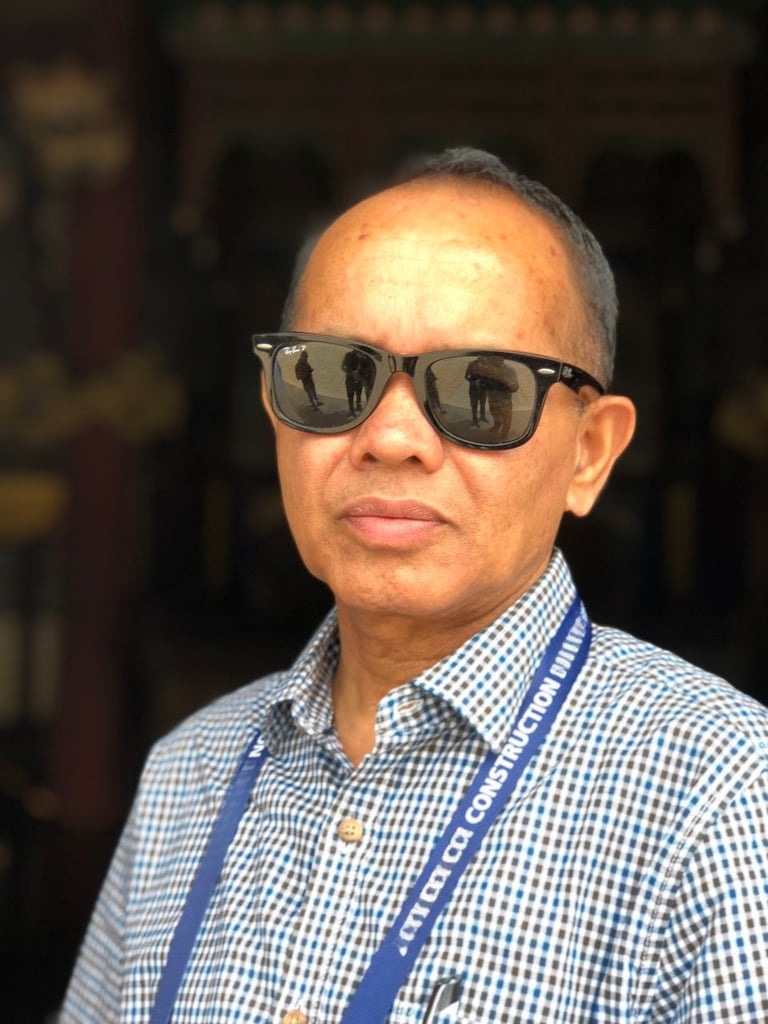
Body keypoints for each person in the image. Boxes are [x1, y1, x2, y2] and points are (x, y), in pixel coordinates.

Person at [61, 147, 768, 1023]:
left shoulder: (722, 796)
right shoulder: (188, 775)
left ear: (590, 453)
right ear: (275, 411)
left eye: (481, 390)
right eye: (332, 376)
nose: (391, 438)